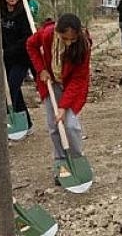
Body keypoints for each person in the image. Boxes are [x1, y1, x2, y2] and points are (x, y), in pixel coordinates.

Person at [26, 13, 91, 184]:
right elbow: (31, 45)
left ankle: (77, 160)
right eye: (65, 38)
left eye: (73, 39)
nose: (69, 42)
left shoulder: (84, 46)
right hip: (52, 83)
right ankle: (61, 162)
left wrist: (63, 106)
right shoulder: (47, 34)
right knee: (54, 126)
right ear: (57, 32)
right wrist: (41, 69)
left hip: (72, 85)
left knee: (70, 125)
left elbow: (78, 79)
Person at [0, 0, 34, 132]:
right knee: (8, 91)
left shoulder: (23, 13)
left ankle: (15, 122)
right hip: (3, 59)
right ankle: (25, 123)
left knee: (12, 88)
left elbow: (27, 39)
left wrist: (7, 51)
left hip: (21, 58)